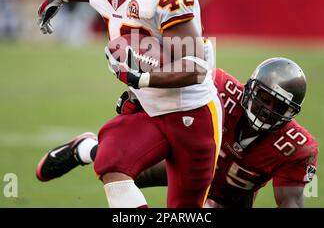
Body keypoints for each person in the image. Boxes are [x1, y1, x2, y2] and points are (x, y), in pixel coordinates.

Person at [37, 0, 223, 208]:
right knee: (112, 163)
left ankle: (87, 149)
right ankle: (92, 150)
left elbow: (196, 68)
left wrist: (141, 79)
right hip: (147, 109)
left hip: (191, 111)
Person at [37, 57, 318, 208]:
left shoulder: (297, 147)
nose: (266, 109)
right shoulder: (219, 88)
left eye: (277, 105)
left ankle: (86, 148)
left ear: (291, 111)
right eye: (263, 98)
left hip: (228, 198)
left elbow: (291, 202)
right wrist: (139, 97)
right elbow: (176, 91)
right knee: (115, 166)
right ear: (249, 88)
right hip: (187, 163)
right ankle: (85, 149)